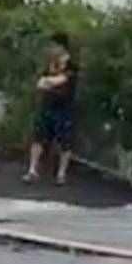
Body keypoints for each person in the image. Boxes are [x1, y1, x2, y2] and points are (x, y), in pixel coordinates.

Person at [24, 32, 78, 187]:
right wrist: (50, 81)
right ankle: (32, 170)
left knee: (64, 141)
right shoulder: (50, 65)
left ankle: (61, 174)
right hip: (48, 105)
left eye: (53, 46)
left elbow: (62, 80)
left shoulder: (71, 65)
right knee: (38, 136)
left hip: (64, 107)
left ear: (61, 47)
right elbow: (41, 83)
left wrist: (50, 81)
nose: (50, 49)